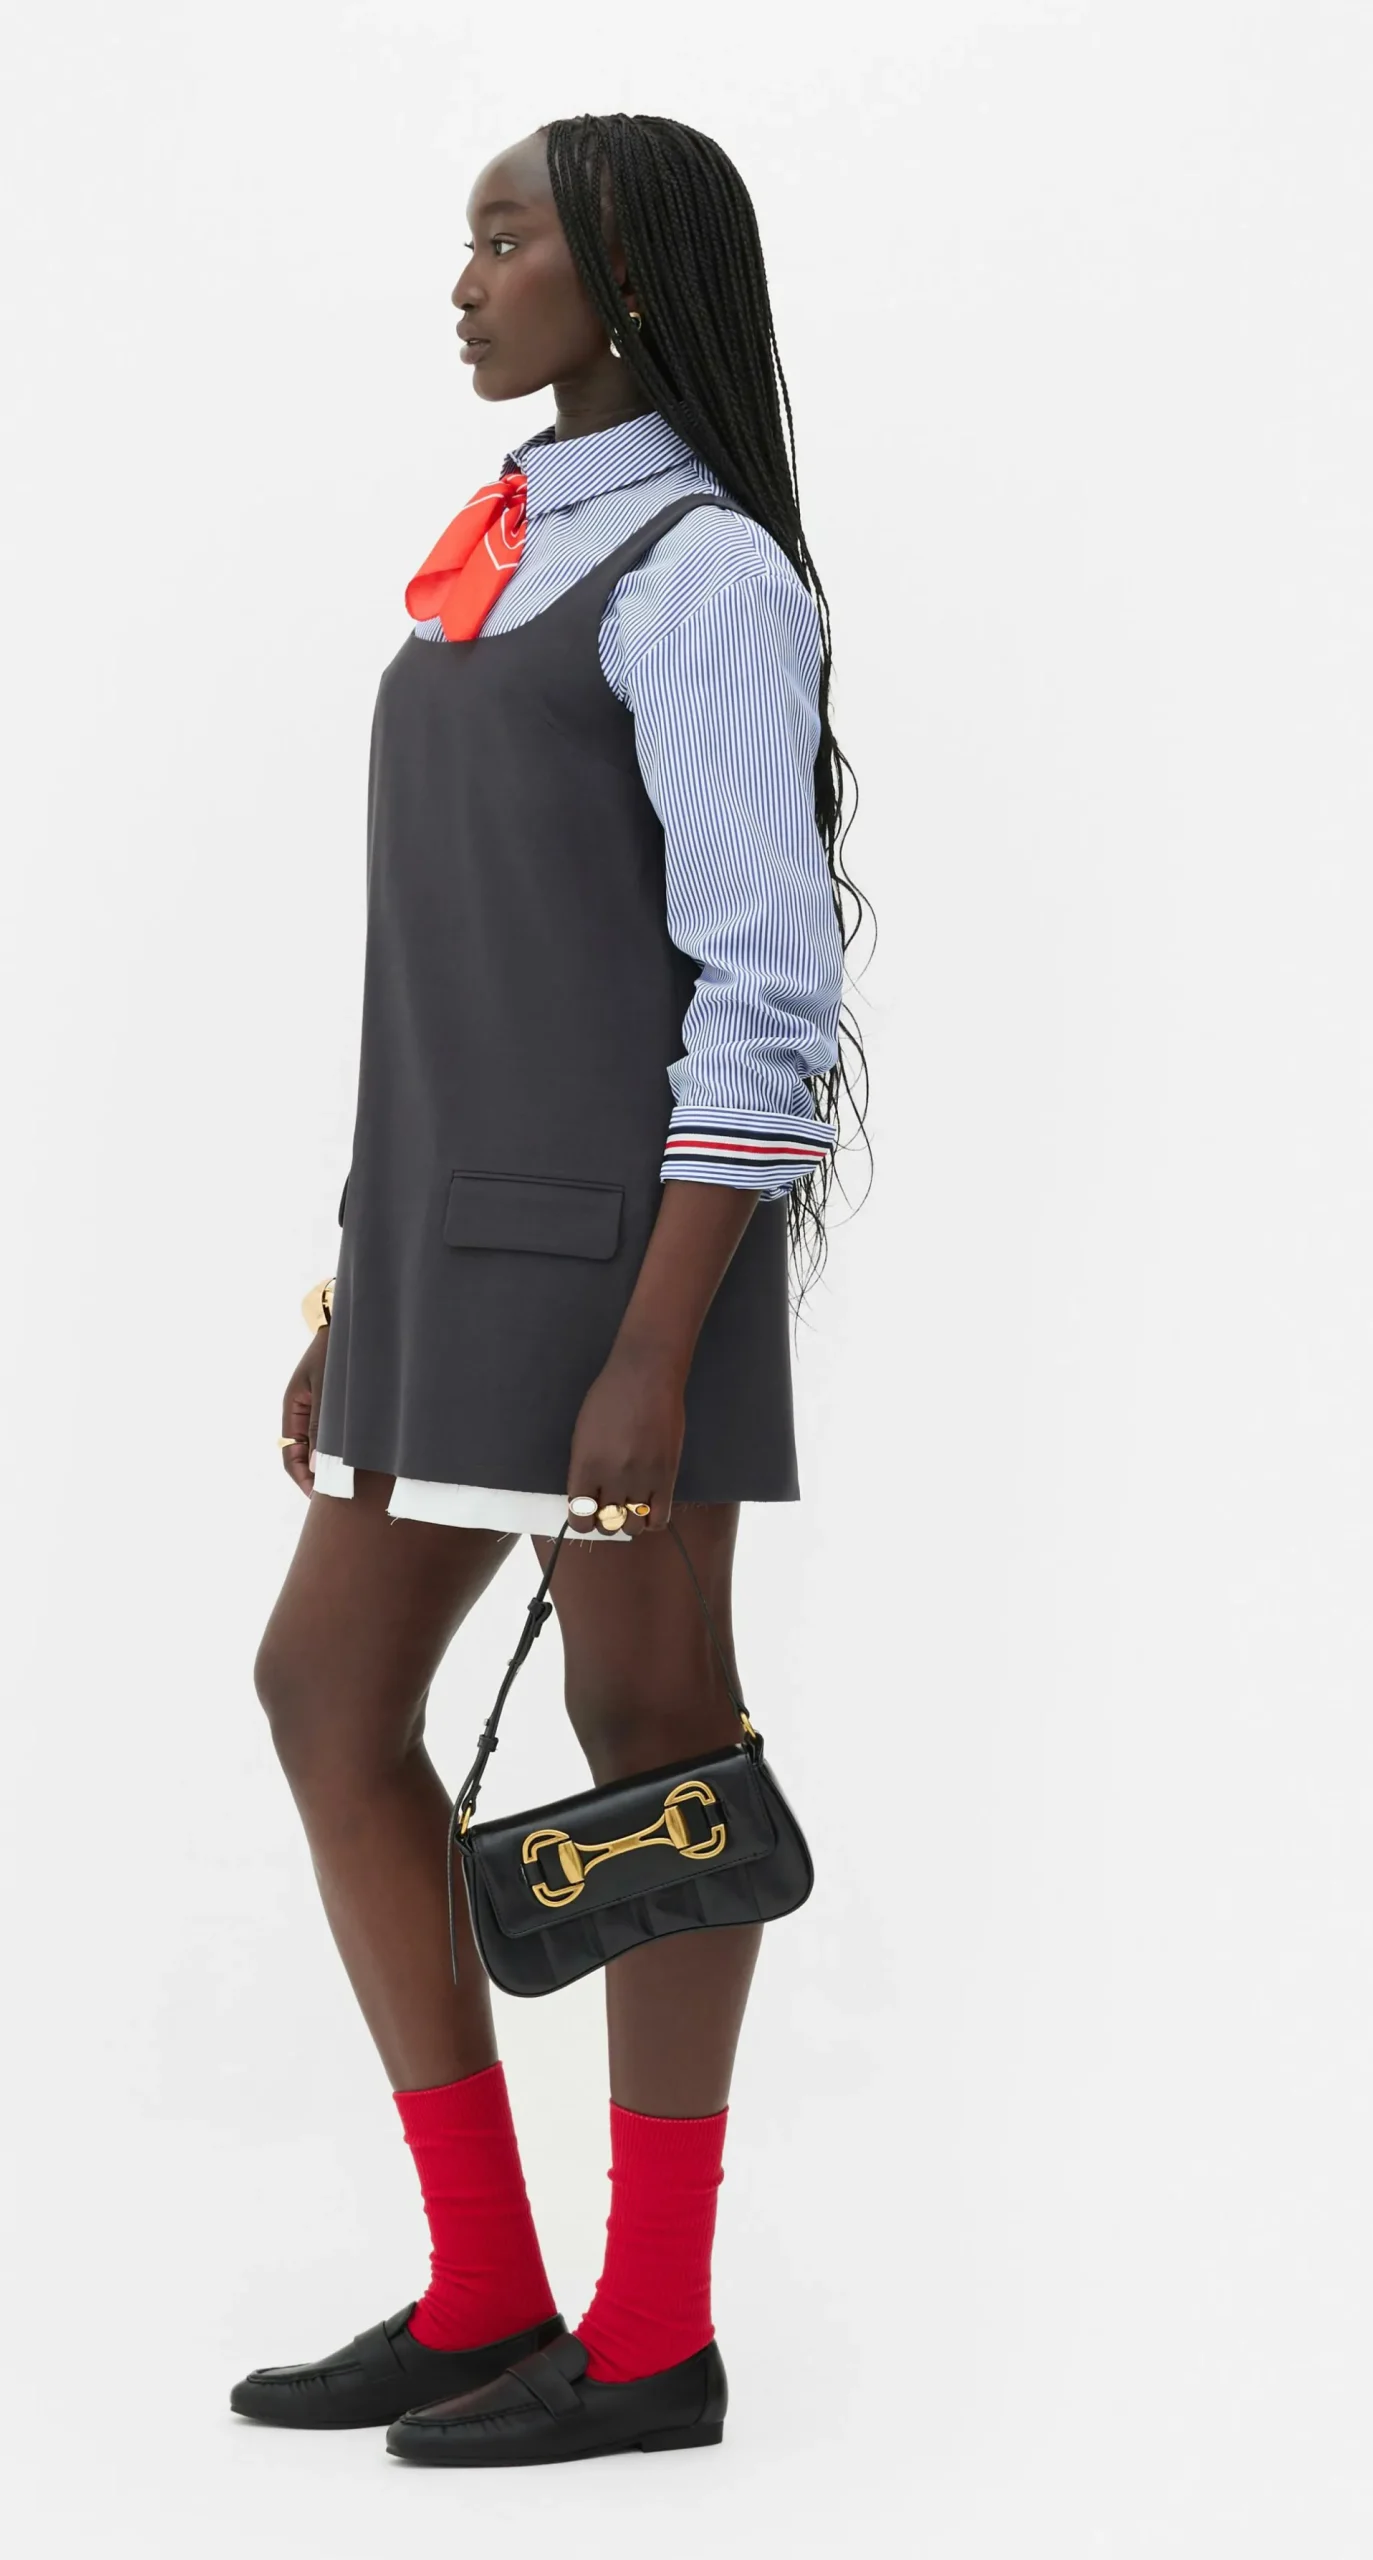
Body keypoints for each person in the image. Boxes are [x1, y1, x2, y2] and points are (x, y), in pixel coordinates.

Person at [231, 111, 863, 2467]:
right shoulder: (505, 542)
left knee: (656, 1749)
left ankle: (655, 2330)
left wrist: (661, 1346)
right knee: (325, 1688)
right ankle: (485, 2282)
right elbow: (449, 978)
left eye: (509, 239)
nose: (467, 279)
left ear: (630, 278)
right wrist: (351, 1290)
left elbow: (768, 991)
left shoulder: (702, 573)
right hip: (444, 1245)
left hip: (621, 1271)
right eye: (469, 238)